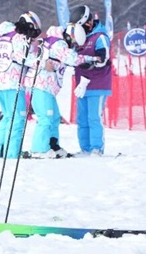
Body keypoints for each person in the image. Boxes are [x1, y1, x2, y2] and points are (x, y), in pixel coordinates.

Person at [28, 24, 97, 158]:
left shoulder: (52, 40)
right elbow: (72, 58)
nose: (73, 46)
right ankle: (39, 149)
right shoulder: (58, 43)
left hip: (48, 87)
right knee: (46, 118)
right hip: (41, 85)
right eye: (74, 42)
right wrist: (91, 59)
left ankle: (53, 145)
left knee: (54, 118)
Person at [0, 12, 41, 159]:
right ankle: (12, 153)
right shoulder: (19, 37)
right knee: (18, 118)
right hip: (13, 82)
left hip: (0, 81)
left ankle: (1, 150)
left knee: (7, 116)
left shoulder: (5, 36)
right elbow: (24, 58)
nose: (32, 37)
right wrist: (40, 59)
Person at [70, 6, 112, 156]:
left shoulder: (99, 36)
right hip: (82, 85)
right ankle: (85, 148)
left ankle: (96, 148)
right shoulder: (80, 39)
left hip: (97, 84)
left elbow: (104, 58)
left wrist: (93, 62)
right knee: (82, 119)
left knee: (94, 117)